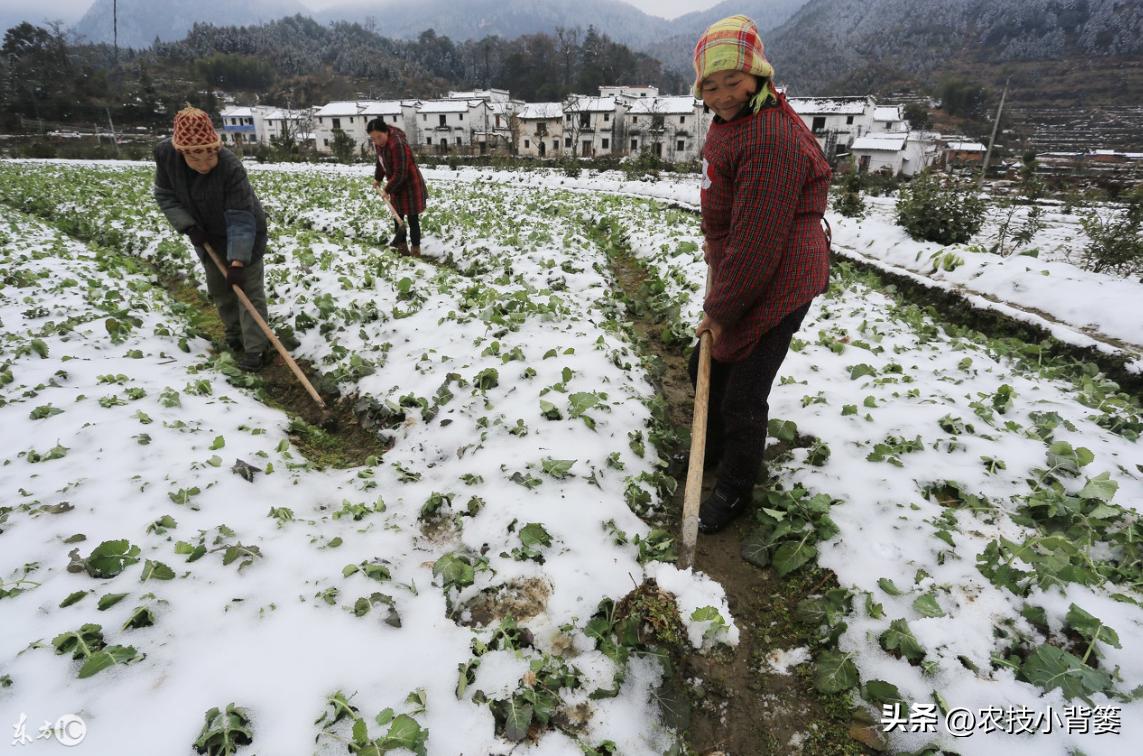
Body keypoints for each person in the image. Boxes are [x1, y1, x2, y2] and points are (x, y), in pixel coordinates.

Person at [690, 15, 832, 533]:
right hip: (750, 264)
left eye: (733, 81)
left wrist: (719, 311)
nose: (723, 95)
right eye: (711, 86)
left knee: (743, 394)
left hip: (780, 277)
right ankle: (710, 452)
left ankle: (734, 488)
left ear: (759, 75)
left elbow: (757, 243)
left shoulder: (770, 138)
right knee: (704, 365)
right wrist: (715, 242)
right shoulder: (738, 120)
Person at [153, 106, 271, 372]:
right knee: (220, 288)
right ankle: (234, 335)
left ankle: (256, 349)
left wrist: (238, 262)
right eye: (196, 159)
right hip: (205, 233)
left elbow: (241, 217)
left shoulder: (231, 168)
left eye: (209, 157)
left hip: (245, 232)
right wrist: (187, 225)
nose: (204, 165)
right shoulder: (166, 156)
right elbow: (165, 195)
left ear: (217, 148)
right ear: (182, 152)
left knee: (247, 290)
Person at [367, 118, 428, 256]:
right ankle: (401, 247)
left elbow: (401, 172)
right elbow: (380, 161)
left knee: (412, 219)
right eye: (373, 138)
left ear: (386, 132)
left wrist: (387, 189)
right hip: (395, 183)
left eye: (379, 137)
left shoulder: (397, 143)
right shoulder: (379, 144)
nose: (377, 141)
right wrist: (378, 178)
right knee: (397, 216)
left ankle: (416, 249)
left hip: (409, 183)